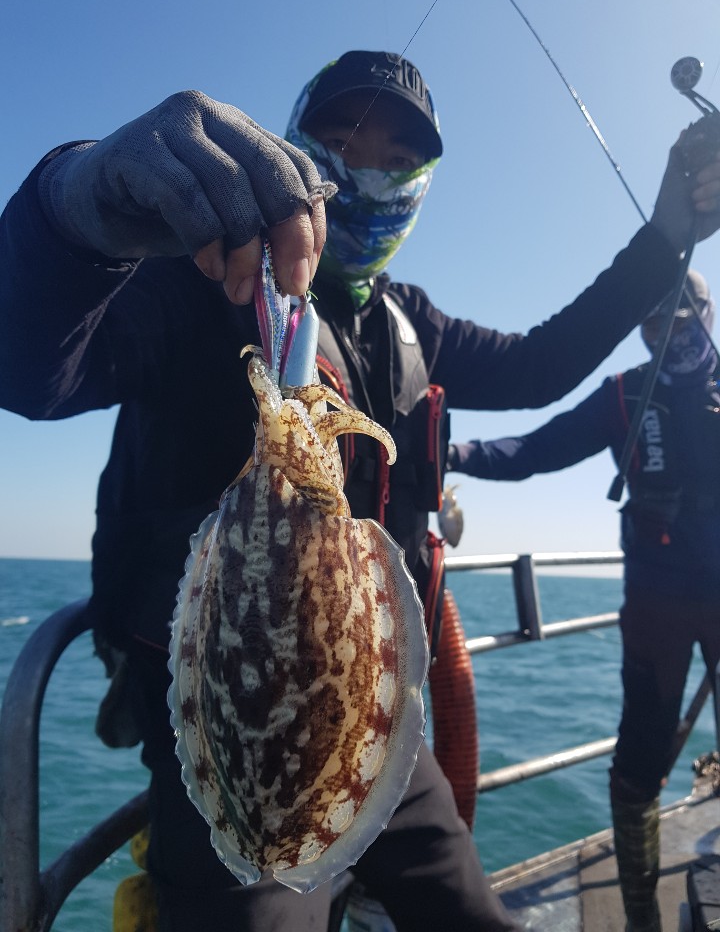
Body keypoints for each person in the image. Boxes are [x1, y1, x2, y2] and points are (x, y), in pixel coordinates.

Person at [1, 50, 720, 932]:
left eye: (392, 155)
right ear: (296, 146)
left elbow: (543, 363)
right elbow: (30, 369)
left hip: (376, 715)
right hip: (239, 735)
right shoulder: (203, 284)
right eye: (340, 138)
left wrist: (664, 239)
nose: (362, 168)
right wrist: (71, 212)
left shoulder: (409, 320)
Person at [446, 269, 720, 932]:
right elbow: (535, 450)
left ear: (704, 316)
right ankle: (639, 921)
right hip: (655, 606)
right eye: (650, 323)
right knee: (636, 772)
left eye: (677, 318)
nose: (661, 332)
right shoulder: (624, 395)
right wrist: (451, 452)